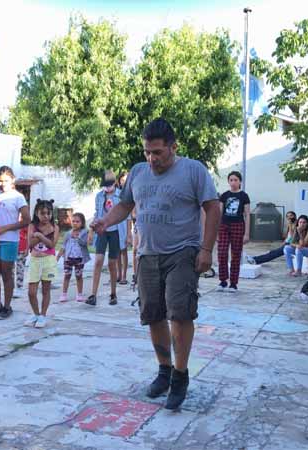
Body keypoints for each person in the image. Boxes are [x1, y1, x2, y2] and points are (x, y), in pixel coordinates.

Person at [91, 118, 220, 410]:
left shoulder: (193, 170)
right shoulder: (138, 172)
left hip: (183, 252)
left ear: (173, 147)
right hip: (147, 254)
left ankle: (180, 375)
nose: (152, 159)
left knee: (180, 313)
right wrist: (105, 221)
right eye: (147, 152)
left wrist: (206, 249)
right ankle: (164, 370)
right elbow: (125, 205)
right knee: (153, 314)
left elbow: (213, 208)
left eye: (158, 152)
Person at [0, 166, 31, 320]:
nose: (1, 184)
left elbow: (26, 220)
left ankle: (7, 306)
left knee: (7, 273)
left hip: (9, 240)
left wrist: (6, 228)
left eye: (5, 181)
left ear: (12, 180)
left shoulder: (18, 197)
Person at [86, 170, 123, 306]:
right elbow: (97, 213)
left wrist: (129, 235)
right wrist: (91, 231)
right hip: (102, 231)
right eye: (105, 185)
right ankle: (93, 295)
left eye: (109, 184)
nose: (107, 187)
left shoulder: (121, 195)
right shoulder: (99, 196)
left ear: (114, 183)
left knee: (112, 263)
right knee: (98, 261)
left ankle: (113, 293)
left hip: (116, 231)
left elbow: (126, 215)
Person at [24, 199, 59, 328]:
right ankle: (36, 314)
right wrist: (38, 235)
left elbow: (51, 245)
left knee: (46, 289)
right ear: (36, 213)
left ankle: (43, 315)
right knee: (31, 292)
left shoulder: (55, 227)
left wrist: (40, 235)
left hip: (48, 260)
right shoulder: (32, 226)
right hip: (35, 261)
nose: (46, 216)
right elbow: (30, 243)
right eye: (42, 213)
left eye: (48, 213)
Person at [216, 171, 250, 293]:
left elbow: (247, 215)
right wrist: (216, 231)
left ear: (240, 181)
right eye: (231, 180)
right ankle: (223, 280)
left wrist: (247, 234)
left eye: (236, 180)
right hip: (224, 226)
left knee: (236, 255)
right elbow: (219, 213)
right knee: (222, 253)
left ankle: (233, 283)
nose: (233, 182)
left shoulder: (244, 196)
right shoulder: (224, 196)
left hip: (238, 226)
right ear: (228, 182)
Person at [57, 212, 90, 302]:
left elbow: (86, 244)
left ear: (82, 223)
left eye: (77, 221)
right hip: (68, 258)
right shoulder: (68, 233)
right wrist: (58, 257)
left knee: (79, 276)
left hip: (79, 258)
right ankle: (64, 294)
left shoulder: (84, 233)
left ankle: (79, 294)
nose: (75, 223)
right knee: (67, 275)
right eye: (73, 221)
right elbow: (63, 246)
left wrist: (78, 237)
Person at [116, 172, 133, 285]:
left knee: (124, 251)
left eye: (126, 180)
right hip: (115, 226)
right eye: (122, 180)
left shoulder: (129, 195)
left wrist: (128, 233)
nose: (124, 182)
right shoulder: (116, 194)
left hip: (123, 227)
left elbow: (129, 217)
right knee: (116, 252)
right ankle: (118, 274)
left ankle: (124, 276)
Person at [13, 223, 28, 298]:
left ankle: (19, 287)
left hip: (21, 248)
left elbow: (28, 235)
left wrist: (27, 248)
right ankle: (11, 288)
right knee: (10, 270)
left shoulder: (23, 221)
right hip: (11, 247)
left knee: (20, 269)